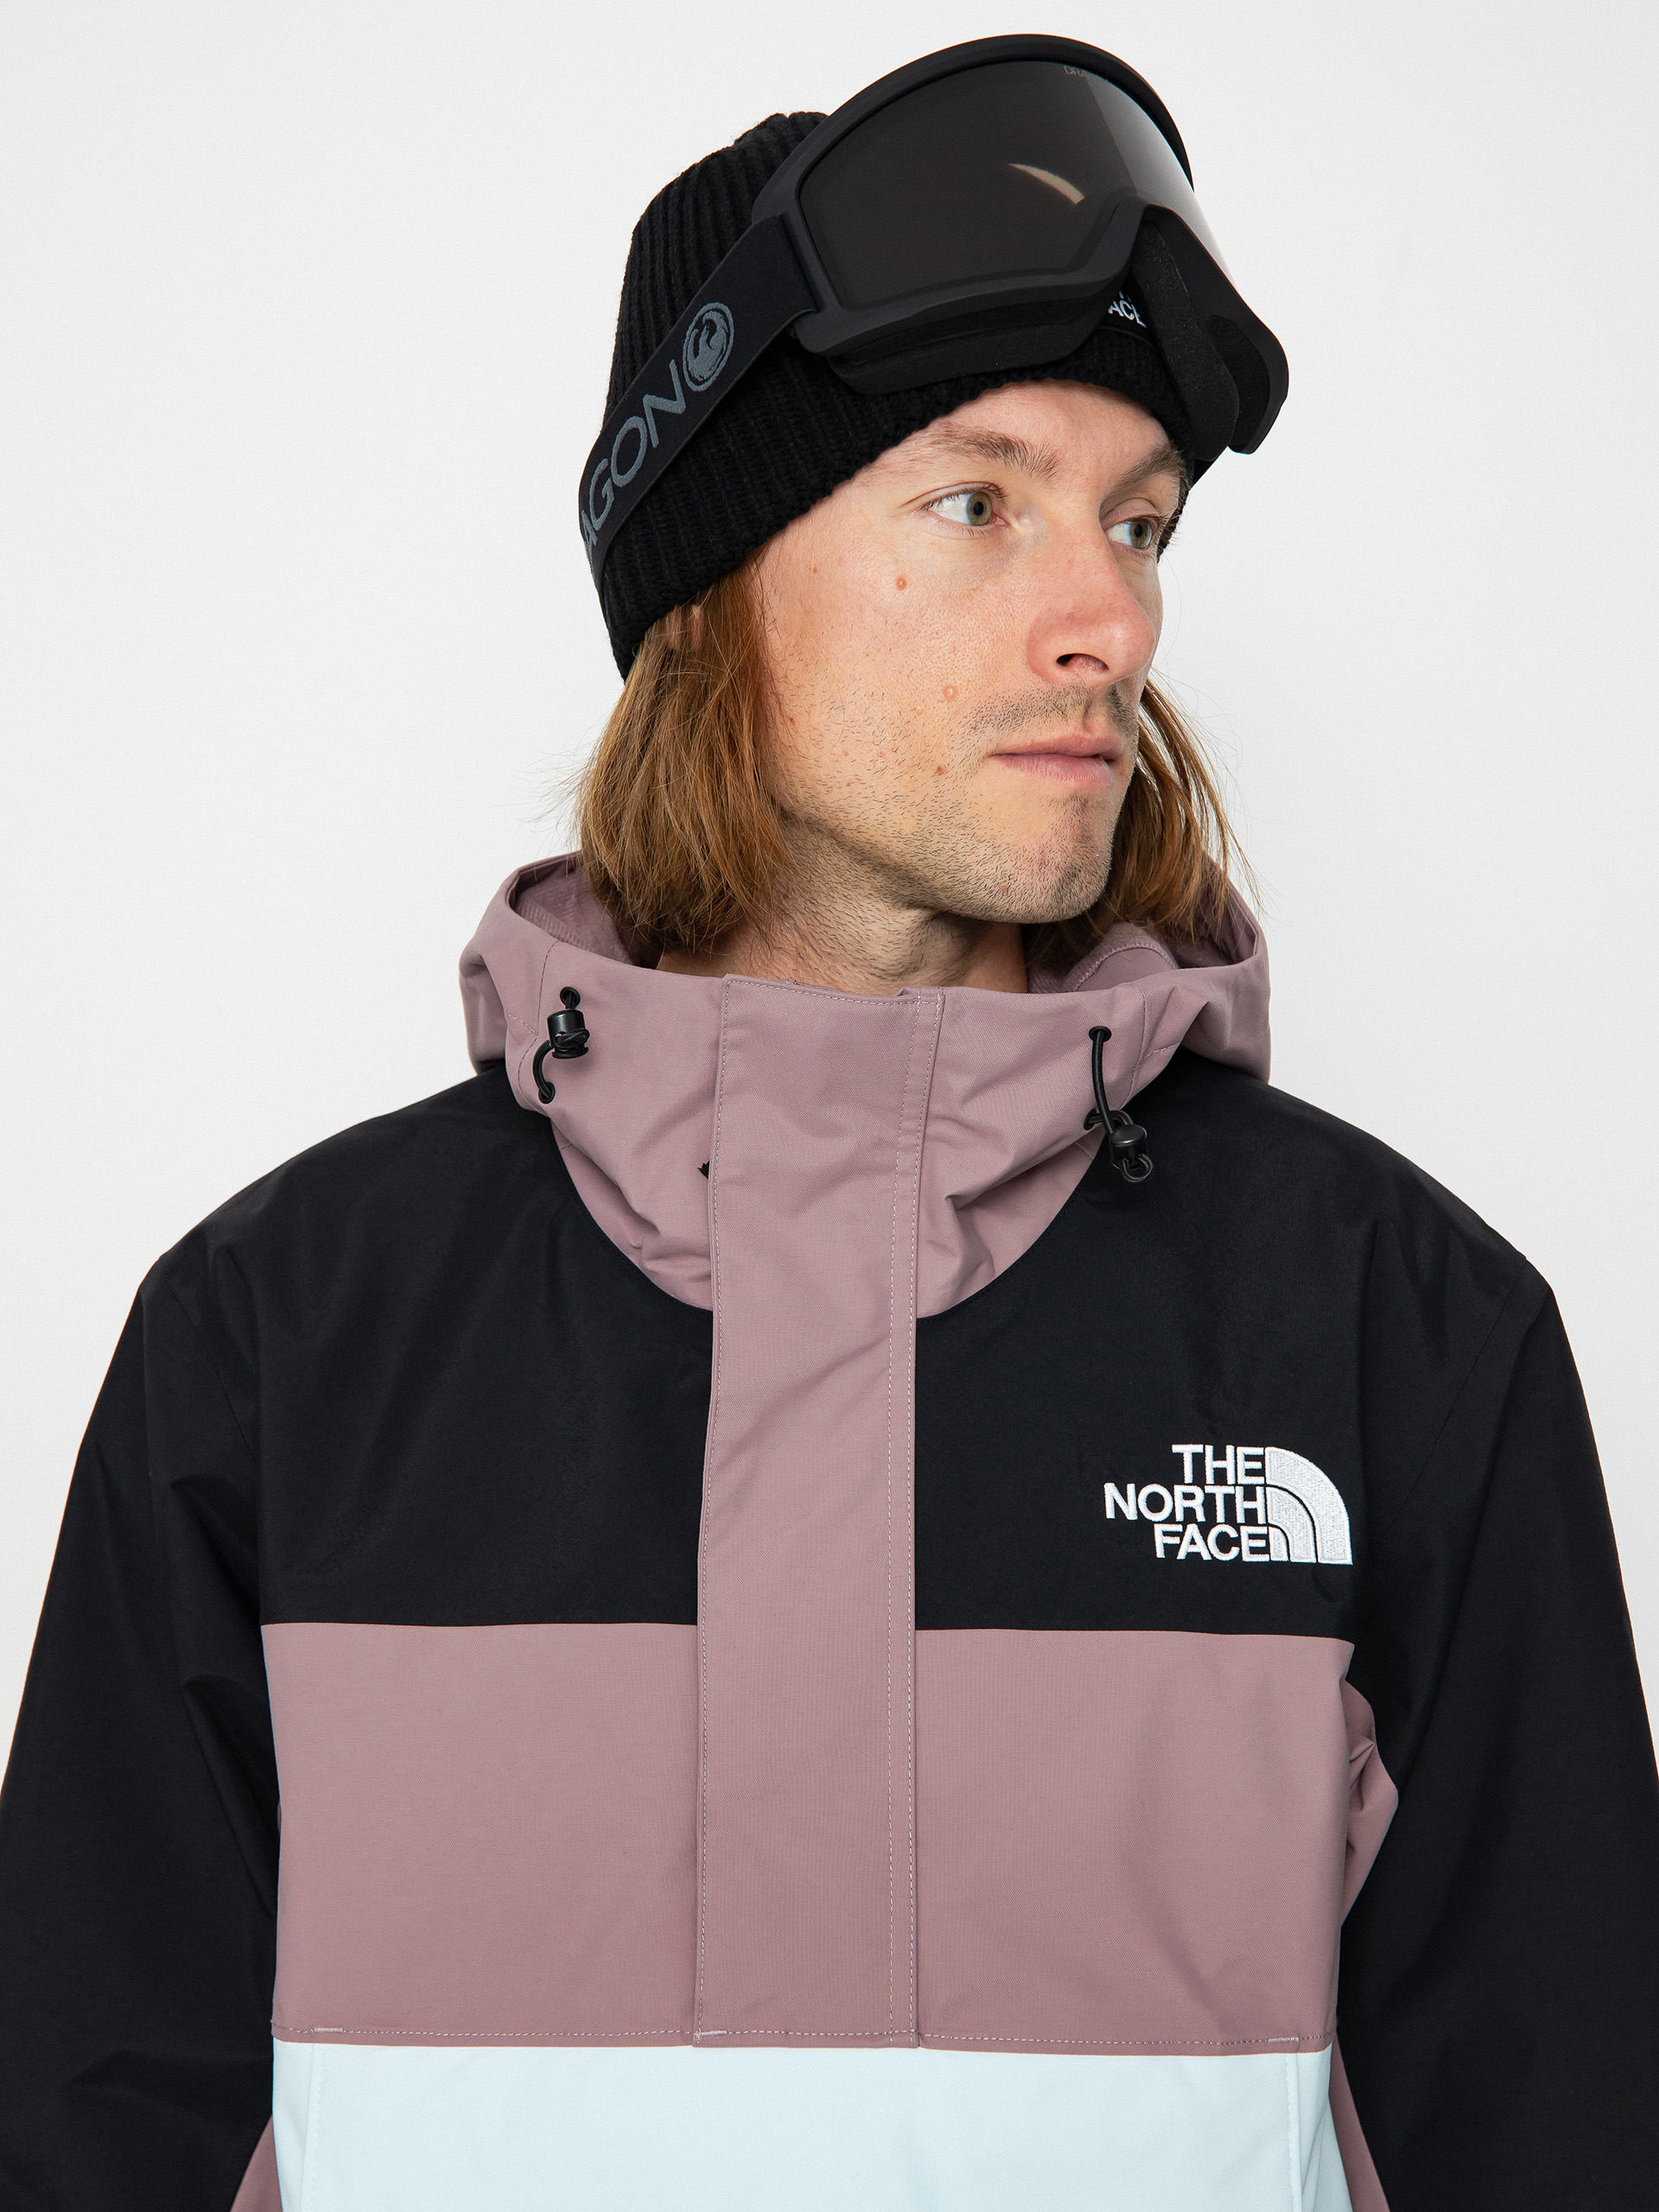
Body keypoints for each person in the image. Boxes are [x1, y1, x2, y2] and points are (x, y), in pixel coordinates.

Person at [1, 34, 1655, 2212]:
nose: (1111, 619)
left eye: (1137, 520)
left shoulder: (1402, 1335)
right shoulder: (276, 1351)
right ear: (712, 581)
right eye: (979, 503)